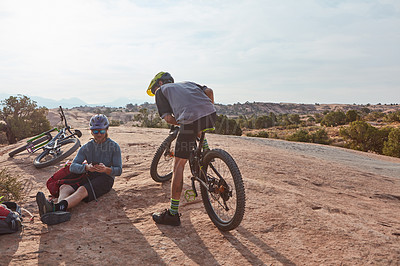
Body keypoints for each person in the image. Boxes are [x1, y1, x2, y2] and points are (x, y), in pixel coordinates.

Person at [147, 72, 216, 226]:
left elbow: (168, 118)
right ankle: (206, 153)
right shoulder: (187, 84)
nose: (154, 94)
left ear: (159, 84)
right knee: (198, 125)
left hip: (190, 120)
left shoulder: (161, 91)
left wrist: (184, 124)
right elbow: (209, 91)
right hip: (211, 114)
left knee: (178, 165)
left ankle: (172, 214)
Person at [36, 114, 122, 225]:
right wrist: (86, 167)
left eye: (101, 131)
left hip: (106, 178)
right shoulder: (86, 147)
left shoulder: (114, 147)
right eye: (95, 131)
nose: (99, 134)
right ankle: (61, 211)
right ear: (91, 131)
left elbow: (118, 170)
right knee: (64, 187)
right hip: (89, 174)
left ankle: (56, 208)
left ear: (106, 130)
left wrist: (106, 169)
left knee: (82, 190)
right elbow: (73, 166)